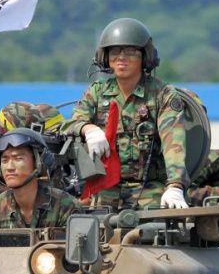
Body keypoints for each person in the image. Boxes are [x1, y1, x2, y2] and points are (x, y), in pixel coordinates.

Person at [60, 18, 189, 211]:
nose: (121, 57)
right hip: (105, 185)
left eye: (131, 51)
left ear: (145, 56)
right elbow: (70, 124)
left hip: (149, 188)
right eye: (114, 51)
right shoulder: (97, 92)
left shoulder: (162, 95)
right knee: (93, 223)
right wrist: (88, 129)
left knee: (155, 223)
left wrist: (175, 185)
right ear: (105, 57)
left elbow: (174, 142)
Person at [0, 128, 83, 228]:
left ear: (39, 163)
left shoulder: (65, 206)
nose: (9, 167)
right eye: (5, 160)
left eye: (18, 159)